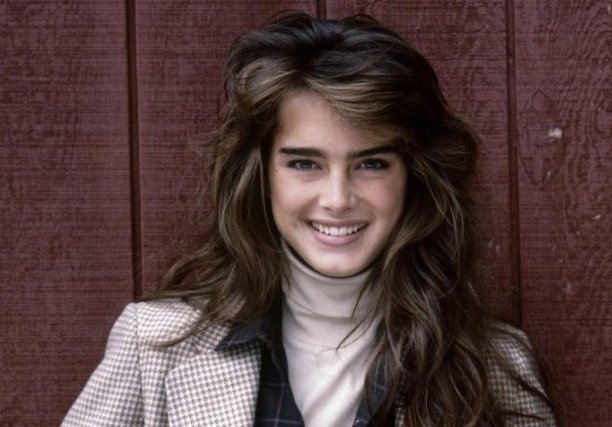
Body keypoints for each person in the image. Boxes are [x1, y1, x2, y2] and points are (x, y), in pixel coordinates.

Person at [63, 12, 558, 427]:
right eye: (304, 164)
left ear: (413, 176)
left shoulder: (491, 363)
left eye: (371, 163)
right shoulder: (155, 345)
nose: (337, 199)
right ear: (261, 175)